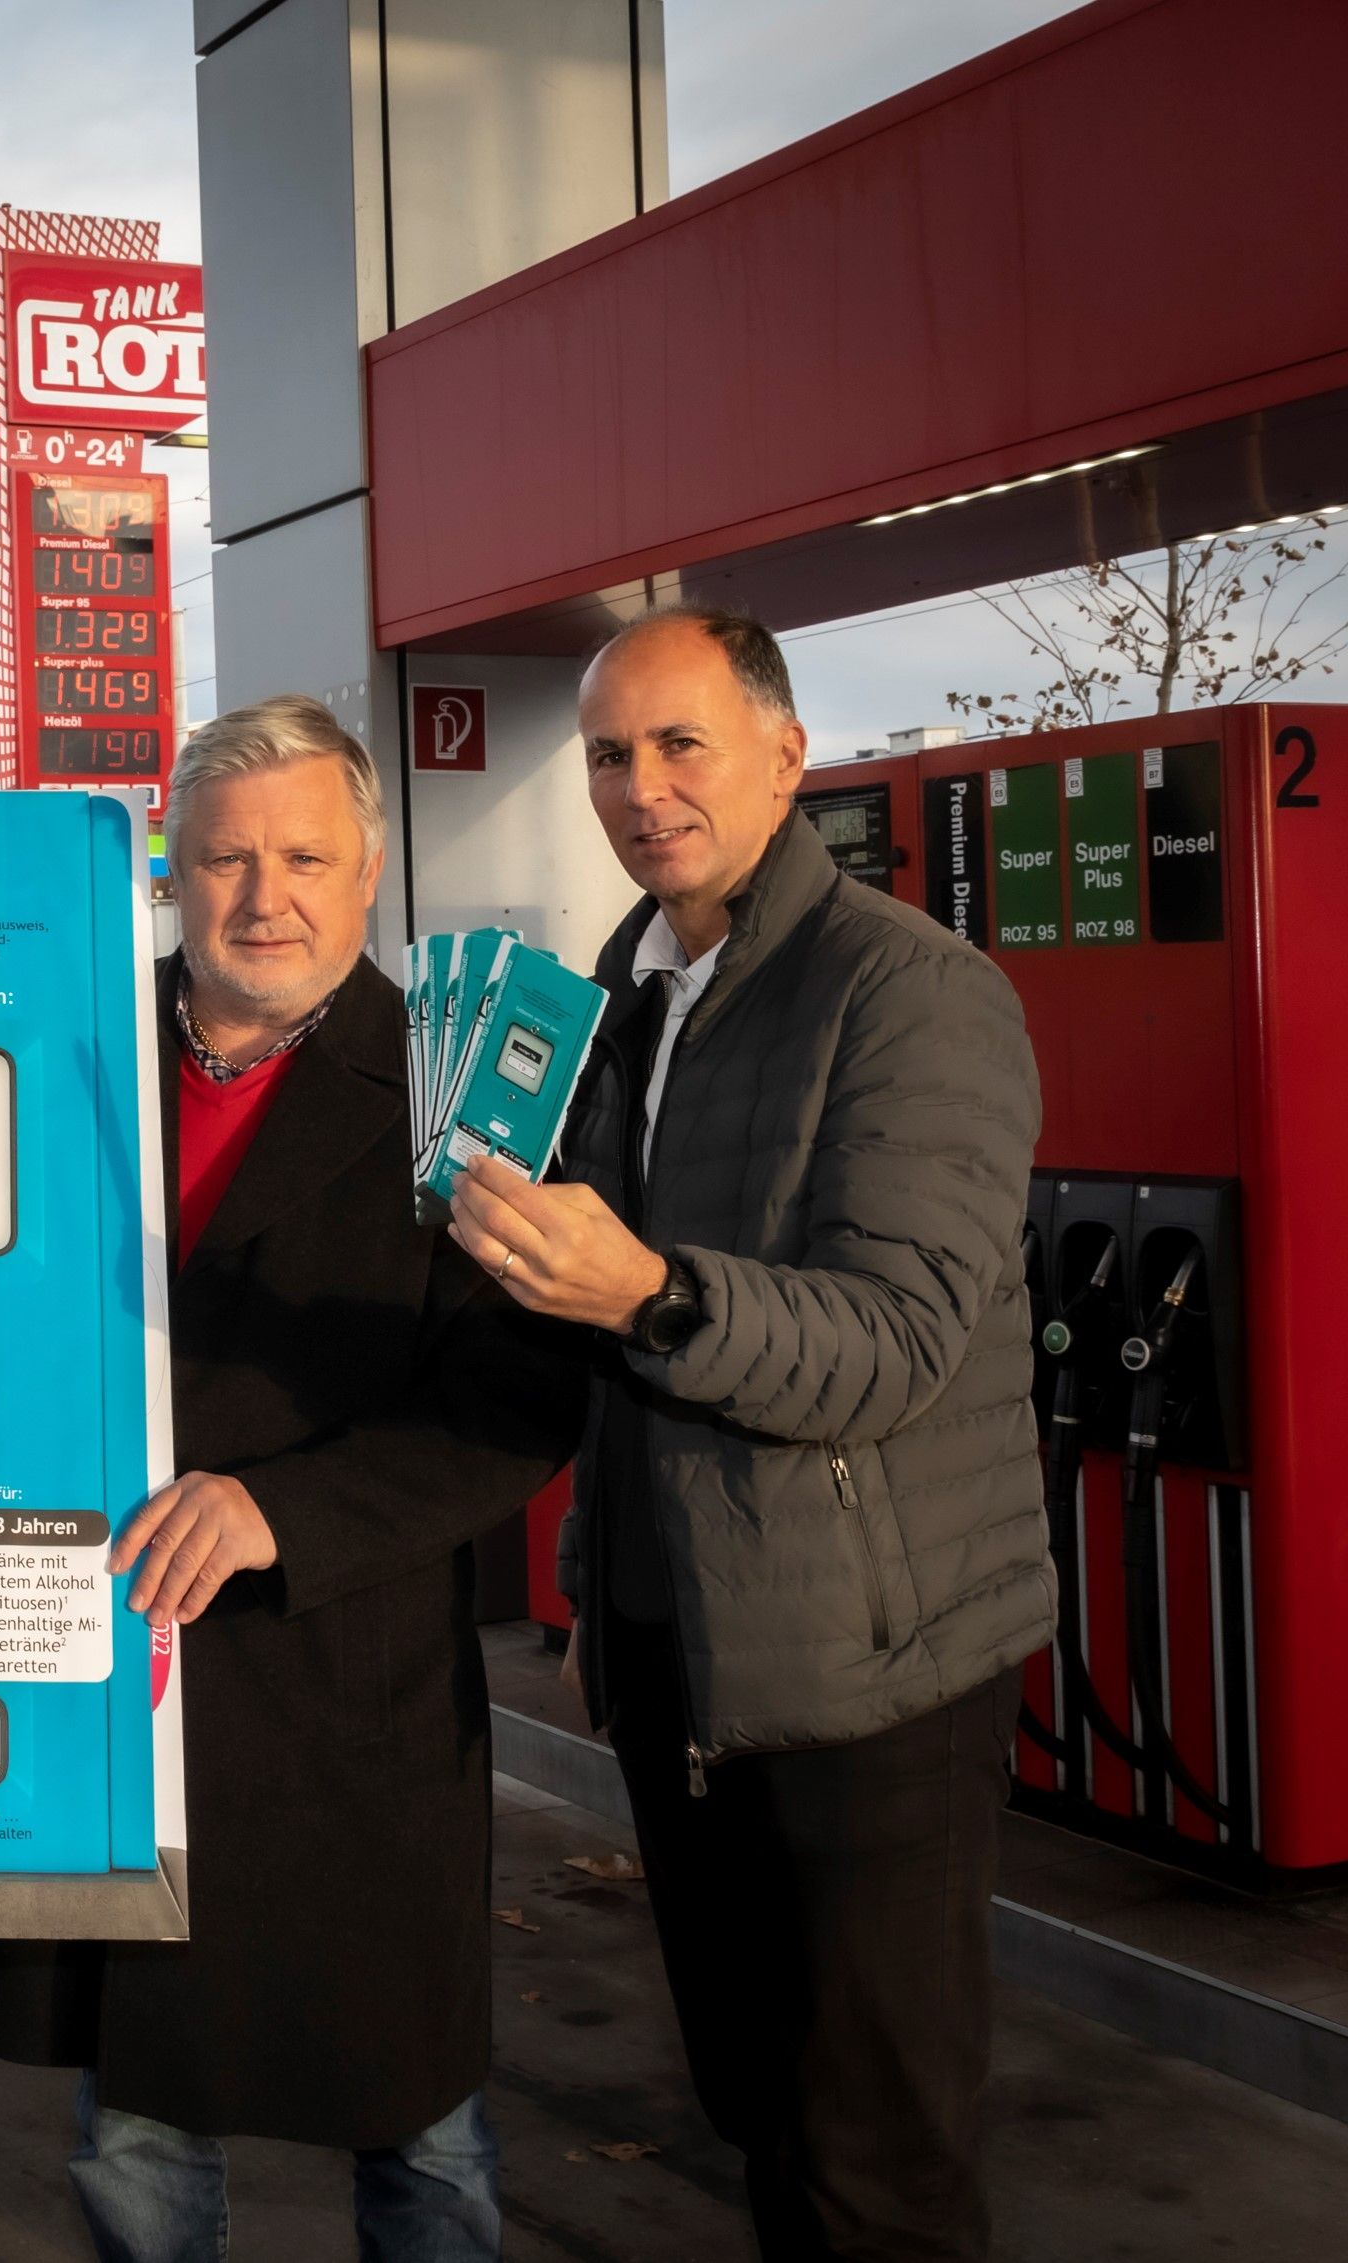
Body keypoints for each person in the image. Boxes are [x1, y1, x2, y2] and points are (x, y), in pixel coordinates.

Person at [446, 609, 1050, 2260]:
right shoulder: (615, 999)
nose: (643, 789)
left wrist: (645, 1290)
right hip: (677, 1656)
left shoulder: (915, 994)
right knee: (753, 2105)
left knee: (875, 2164)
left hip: (873, 1670)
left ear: (787, 756)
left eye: (682, 743)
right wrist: (598, 1565)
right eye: (611, 755)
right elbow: (597, 1350)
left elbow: (900, 1339)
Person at [0, 697, 581, 2263]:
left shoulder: (468, 1081)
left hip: (341, 1695)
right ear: (172, 871)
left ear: (370, 867)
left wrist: (276, 1511)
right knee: (138, 2133)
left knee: (421, 2135)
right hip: (96, 1672)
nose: (264, 896)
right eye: (226, 858)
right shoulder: (56, 1036)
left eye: (305, 854)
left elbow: (516, 1406)